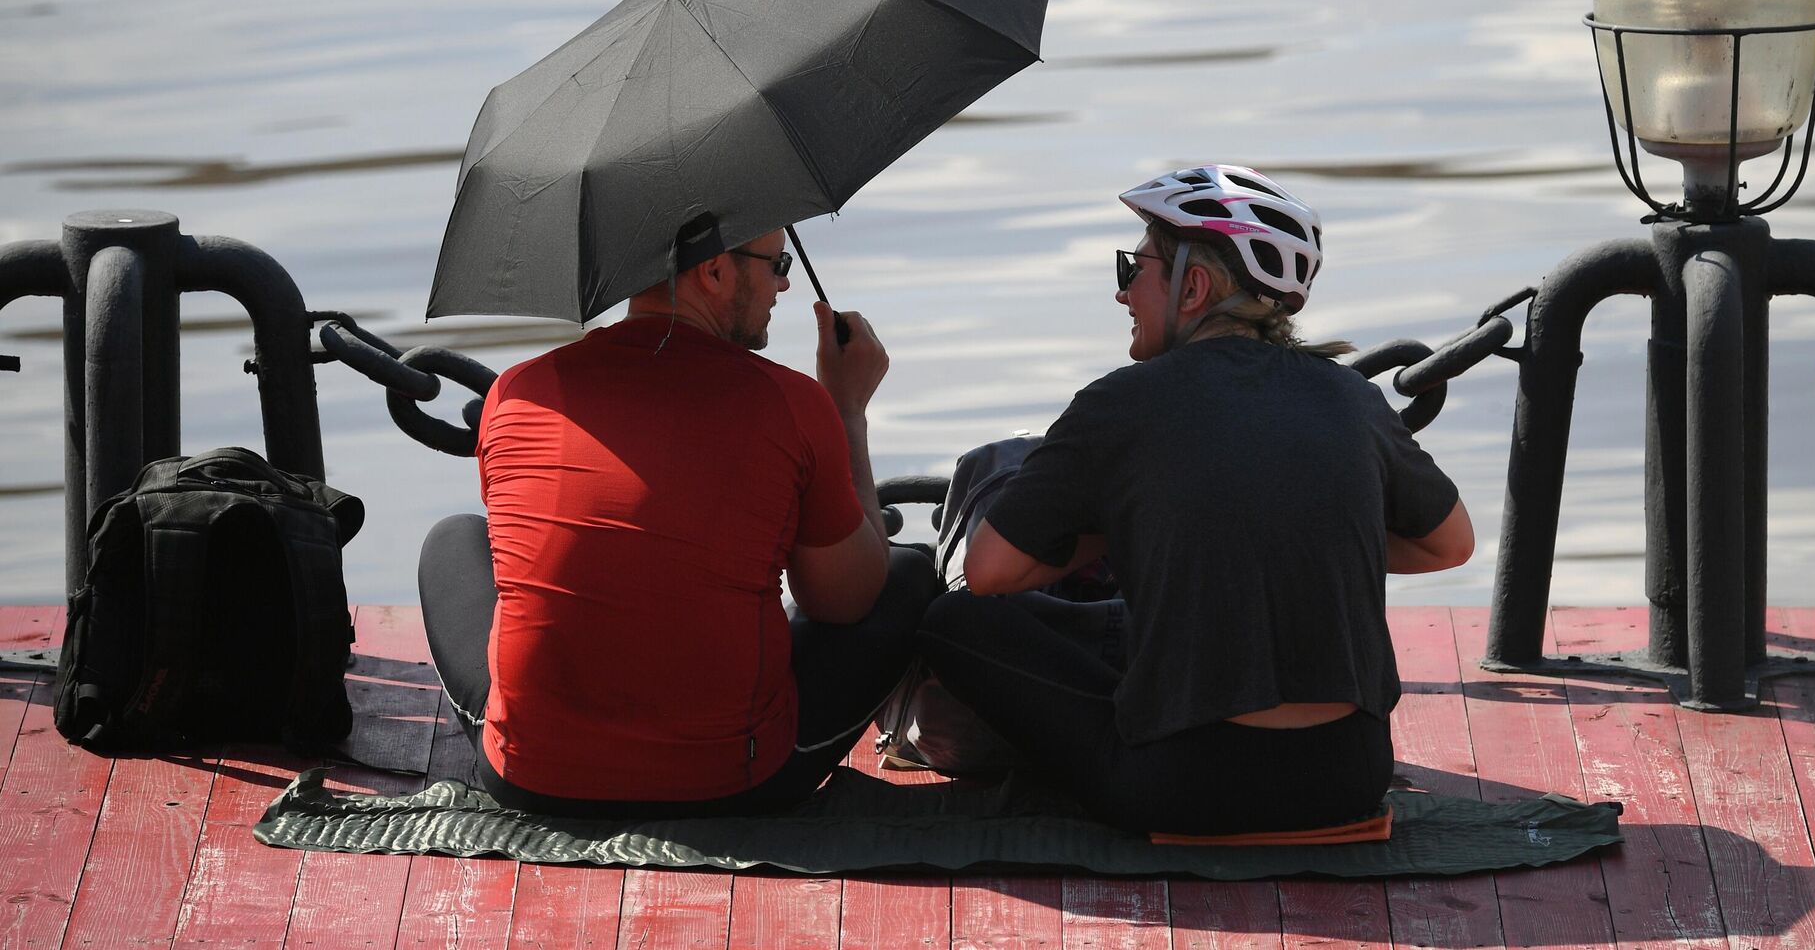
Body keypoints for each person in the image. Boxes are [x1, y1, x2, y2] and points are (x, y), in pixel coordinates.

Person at [916, 165, 1473, 835]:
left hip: (1183, 786)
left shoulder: (1119, 403)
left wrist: (1128, 525)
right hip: (1349, 779)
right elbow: (1452, 543)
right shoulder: (1353, 397)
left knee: (951, 623)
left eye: (1133, 269)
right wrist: (1294, 530)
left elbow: (989, 572)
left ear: (1194, 287)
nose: (1123, 294)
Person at [418, 218, 942, 818]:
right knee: (906, 575)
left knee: (452, 538)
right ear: (714, 270)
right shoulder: (796, 403)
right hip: (736, 780)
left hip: (531, 775)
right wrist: (846, 409)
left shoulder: (516, 391)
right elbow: (844, 602)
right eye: (777, 266)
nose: (786, 288)